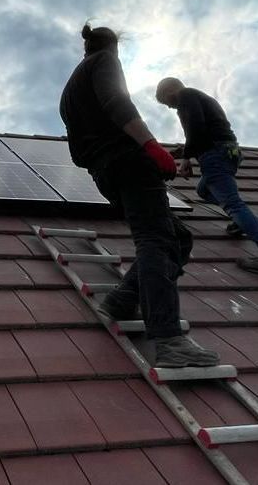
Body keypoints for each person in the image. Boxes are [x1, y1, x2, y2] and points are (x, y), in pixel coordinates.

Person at [60, 24, 219, 367]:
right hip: (129, 162)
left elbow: (76, 150)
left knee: (179, 237)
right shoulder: (105, 61)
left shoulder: (69, 91)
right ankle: (168, 340)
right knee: (157, 242)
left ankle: (123, 299)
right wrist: (149, 145)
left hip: (105, 174)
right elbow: (115, 101)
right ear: (114, 48)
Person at [155, 77, 258, 279]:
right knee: (204, 190)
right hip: (228, 152)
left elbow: (196, 127)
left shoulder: (186, 95)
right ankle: (240, 222)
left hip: (216, 154)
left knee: (232, 203)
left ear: (169, 91)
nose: (171, 107)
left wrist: (186, 159)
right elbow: (207, 132)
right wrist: (183, 151)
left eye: (167, 102)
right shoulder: (201, 98)